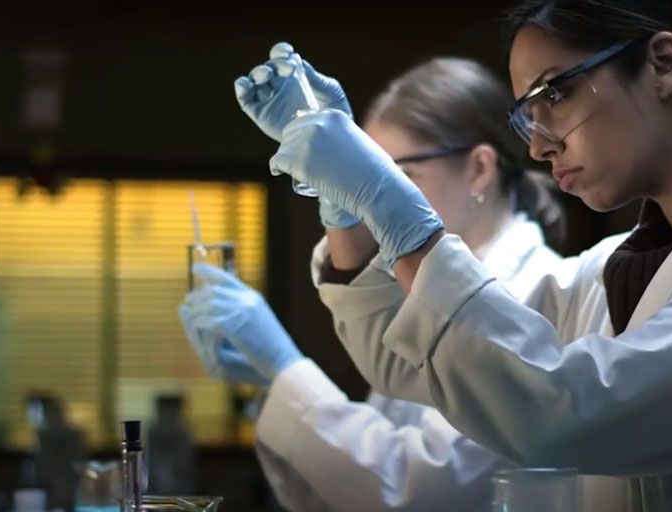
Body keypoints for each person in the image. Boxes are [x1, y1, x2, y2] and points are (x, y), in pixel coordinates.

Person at [249, 1, 672, 510]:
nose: (541, 145)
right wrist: (350, 216)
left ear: (662, 63)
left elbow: (564, 415)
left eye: (556, 94)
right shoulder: (608, 268)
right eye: (528, 116)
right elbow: (411, 358)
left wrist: (396, 210)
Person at [180, 48, 626, 510]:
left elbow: (420, 488)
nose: (364, 192)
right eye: (354, 171)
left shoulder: (535, 291)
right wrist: (271, 386)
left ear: (479, 169)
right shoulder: (419, 293)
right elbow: (339, 497)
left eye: (392, 175)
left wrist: (284, 369)